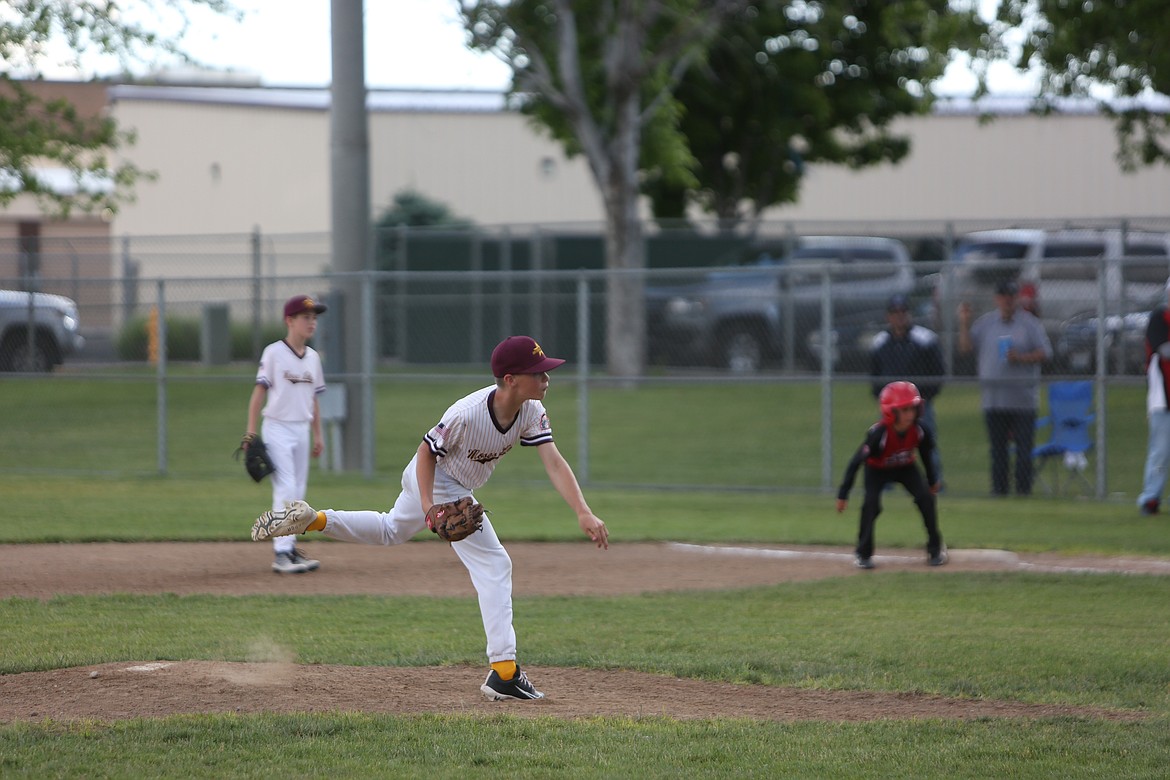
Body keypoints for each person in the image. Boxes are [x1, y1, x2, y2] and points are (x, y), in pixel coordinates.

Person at [248, 335, 609, 701]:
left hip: (453, 486)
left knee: (391, 530)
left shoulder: (530, 411)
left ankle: (315, 520)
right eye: (538, 374)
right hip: (435, 480)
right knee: (494, 563)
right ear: (512, 379)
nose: (546, 379)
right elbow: (426, 453)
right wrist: (429, 508)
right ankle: (504, 672)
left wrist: (582, 511)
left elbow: (554, 461)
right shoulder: (466, 414)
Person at [242, 294, 327, 574]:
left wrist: (318, 435)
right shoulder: (274, 353)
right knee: (286, 486)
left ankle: (289, 548)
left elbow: (313, 400)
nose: (311, 322)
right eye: (306, 317)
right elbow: (258, 393)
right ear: (289, 321)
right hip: (277, 427)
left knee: (298, 491)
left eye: (314, 317)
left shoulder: (313, 358)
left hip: (301, 428)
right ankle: (281, 553)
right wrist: (251, 432)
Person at [836, 381, 946, 570]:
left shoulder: (920, 430)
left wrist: (932, 480)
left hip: (906, 467)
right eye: (904, 410)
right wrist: (843, 494)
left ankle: (935, 549)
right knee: (871, 504)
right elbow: (856, 462)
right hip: (876, 470)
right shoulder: (879, 434)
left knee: (926, 499)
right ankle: (863, 554)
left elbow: (926, 456)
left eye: (912, 408)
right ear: (890, 412)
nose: (910, 414)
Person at [958, 279, 1053, 496]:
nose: (1008, 300)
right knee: (998, 449)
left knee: (1023, 449)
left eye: (1011, 295)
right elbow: (965, 348)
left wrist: (1020, 357)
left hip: (1023, 400)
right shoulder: (985, 323)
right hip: (993, 399)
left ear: (1016, 298)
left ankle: (1023, 490)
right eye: (1003, 296)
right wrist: (964, 322)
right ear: (997, 299)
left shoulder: (1029, 323)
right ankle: (999, 490)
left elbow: (1045, 353)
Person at [870, 293, 946, 483]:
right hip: (891, 408)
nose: (899, 316)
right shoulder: (881, 342)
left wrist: (925, 397)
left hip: (918, 406)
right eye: (895, 312)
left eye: (903, 311)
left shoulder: (924, 339)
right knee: (886, 444)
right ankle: (885, 484)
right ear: (888, 316)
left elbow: (938, 372)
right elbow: (875, 374)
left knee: (926, 444)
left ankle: (935, 482)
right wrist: (882, 398)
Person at [1137, 278, 1170, 515]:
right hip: (1163, 400)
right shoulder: (1160, 317)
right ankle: (1150, 499)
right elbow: (1164, 349)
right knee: (1160, 451)